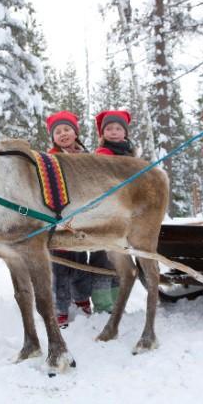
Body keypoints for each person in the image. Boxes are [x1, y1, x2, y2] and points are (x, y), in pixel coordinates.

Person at [46, 110, 93, 328]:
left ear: (75, 132)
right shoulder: (49, 159)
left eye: (67, 129)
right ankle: (60, 308)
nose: (63, 134)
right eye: (58, 131)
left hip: (82, 217)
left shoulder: (86, 157)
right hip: (58, 217)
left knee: (80, 262)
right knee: (59, 267)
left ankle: (82, 299)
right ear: (53, 137)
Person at [89, 110, 136, 313]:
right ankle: (102, 303)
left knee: (120, 258)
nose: (114, 132)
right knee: (102, 258)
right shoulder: (103, 154)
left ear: (124, 132)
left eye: (118, 128)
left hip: (123, 213)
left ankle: (117, 301)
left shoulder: (129, 153)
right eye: (109, 128)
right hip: (104, 213)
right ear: (103, 133)